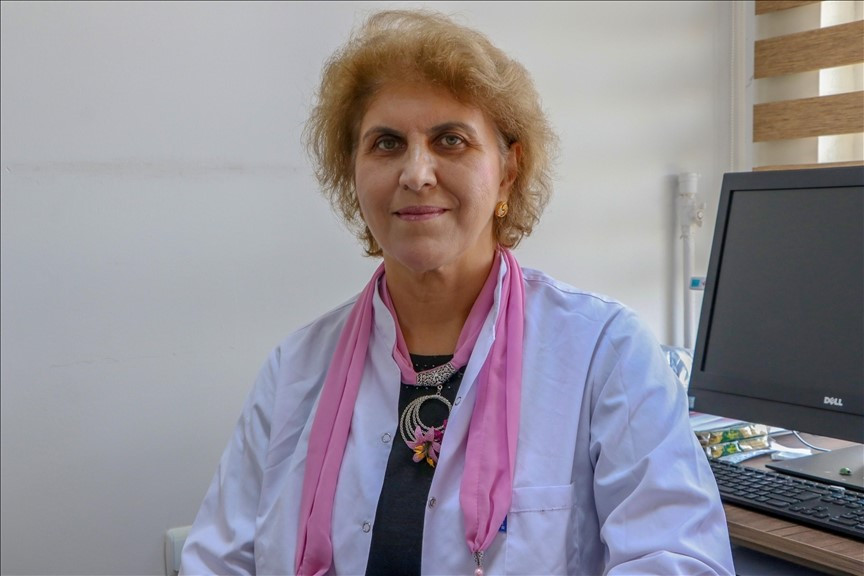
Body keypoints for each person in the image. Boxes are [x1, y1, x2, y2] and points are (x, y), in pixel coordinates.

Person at [180, 9, 735, 576]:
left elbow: (680, 560)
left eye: (451, 140)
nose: (416, 173)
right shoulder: (295, 369)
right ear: (353, 175)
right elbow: (217, 562)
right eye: (386, 144)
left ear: (508, 171)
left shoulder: (604, 352)